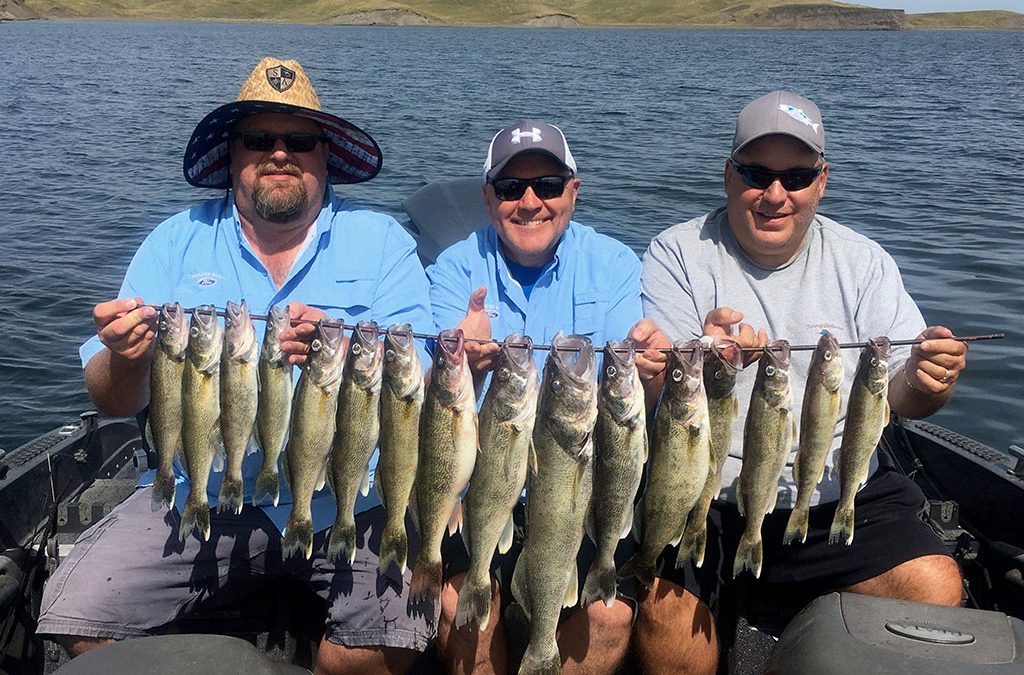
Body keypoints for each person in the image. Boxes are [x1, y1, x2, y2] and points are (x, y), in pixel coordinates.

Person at [36, 57, 436, 674]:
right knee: (73, 614)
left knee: (380, 651)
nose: (280, 154)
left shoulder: (382, 243)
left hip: (354, 499)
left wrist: (360, 349)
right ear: (231, 157)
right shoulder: (173, 241)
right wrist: (125, 358)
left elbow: (426, 378)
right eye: (259, 140)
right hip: (203, 491)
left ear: (326, 157)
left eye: (299, 141)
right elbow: (113, 400)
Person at [637, 90, 969, 673]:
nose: (774, 194)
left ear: (822, 181)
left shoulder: (864, 263)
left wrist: (927, 381)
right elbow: (656, 393)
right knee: (664, 625)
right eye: (756, 173)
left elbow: (900, 397)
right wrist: (701, 361)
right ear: (727, 175)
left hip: (835, 489)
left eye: (795, 175)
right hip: (709, 495)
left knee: (934, 586)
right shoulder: (678, 253)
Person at [425, 120, 667, 674]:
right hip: (486, 487)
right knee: (458, 602)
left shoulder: (614, 265)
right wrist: (464, 362)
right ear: (487, 198)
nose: (530, 202)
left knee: (608, 616)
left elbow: (630, 406)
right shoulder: (454, 270)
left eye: (549, 186)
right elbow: (441, 408)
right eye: (511, 189)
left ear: (573, 192)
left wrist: (652, 369)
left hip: (578, 488)